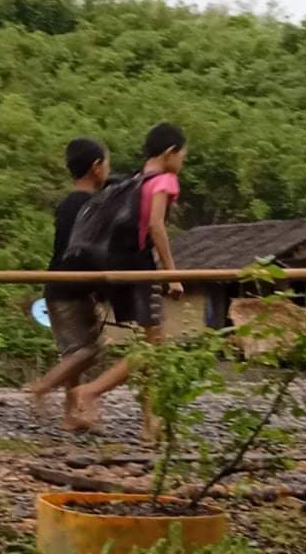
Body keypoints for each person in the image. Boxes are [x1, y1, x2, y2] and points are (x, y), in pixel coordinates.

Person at [70, 123, 187, 440]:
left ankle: (151, 425)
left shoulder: (135, 180)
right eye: (182, 155)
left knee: (151, 346)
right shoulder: (164, 180)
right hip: (140, 267)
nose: (182, 162)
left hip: (118, 266)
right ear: (170, 153)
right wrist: (172, 273)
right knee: (153, 347)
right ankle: (91, 391)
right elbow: (156, 226)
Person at [28, 138, 110, 431]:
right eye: (107, 163)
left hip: (55, 283)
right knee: (91, 350)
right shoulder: (93, 205)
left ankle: (71, 417)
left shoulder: (67, 203)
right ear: (96, 167)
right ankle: (44, 385)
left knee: (73, 351)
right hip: (73, 287)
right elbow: (90, 250)